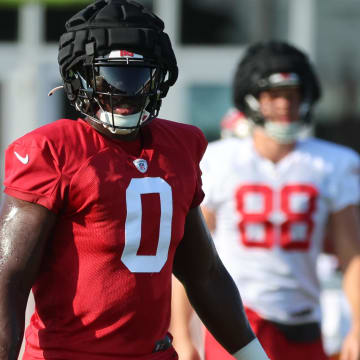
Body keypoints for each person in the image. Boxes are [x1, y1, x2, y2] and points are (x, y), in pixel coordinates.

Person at [0, 1, 271, 360]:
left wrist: (255, 356)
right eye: (110, 76)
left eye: (138, 76)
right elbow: (9, 279)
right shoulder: (54, 149)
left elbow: (204, 273)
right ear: (80, 78)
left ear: (159, 79)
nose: (124, 91)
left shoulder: (179, 147)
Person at [170, 41, 360, 360]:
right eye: (274, 95)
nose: (285, 104)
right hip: (239, 319)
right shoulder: (218, 160)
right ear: (252, 99)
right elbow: (191, 258)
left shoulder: (332, 164)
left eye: (292, 94)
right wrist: (180, 332)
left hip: (305, 322)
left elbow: (352, 255)